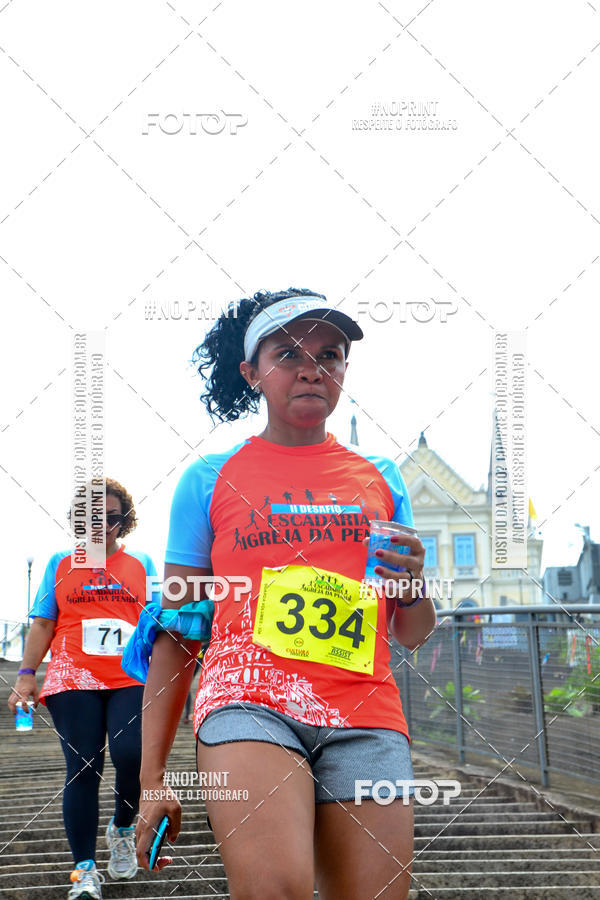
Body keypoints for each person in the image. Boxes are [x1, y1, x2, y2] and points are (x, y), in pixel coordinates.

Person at [135, 288, 437, 899]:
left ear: (345, 371)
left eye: (331, 355)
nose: (312, 368)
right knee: (278, 890)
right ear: (252, 371)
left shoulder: (381, 477)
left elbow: (411, 629)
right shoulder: (208, 479)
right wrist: (152, 779)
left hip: (364, 713)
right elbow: (178, 631)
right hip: (248, 700)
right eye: (289, 353)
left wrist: (413, 590)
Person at [8, 478, 159, 900]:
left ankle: (124, 828)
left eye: (112, 517)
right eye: (93, 516)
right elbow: (42, 622)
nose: (102, 524)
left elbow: (159, 622)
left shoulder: (142, 563)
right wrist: (26, 675)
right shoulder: (60, 562)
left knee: (131, 756)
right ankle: (84, 869)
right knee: (84, 768)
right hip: (73, 677)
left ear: (123, 520)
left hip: (131, 675)